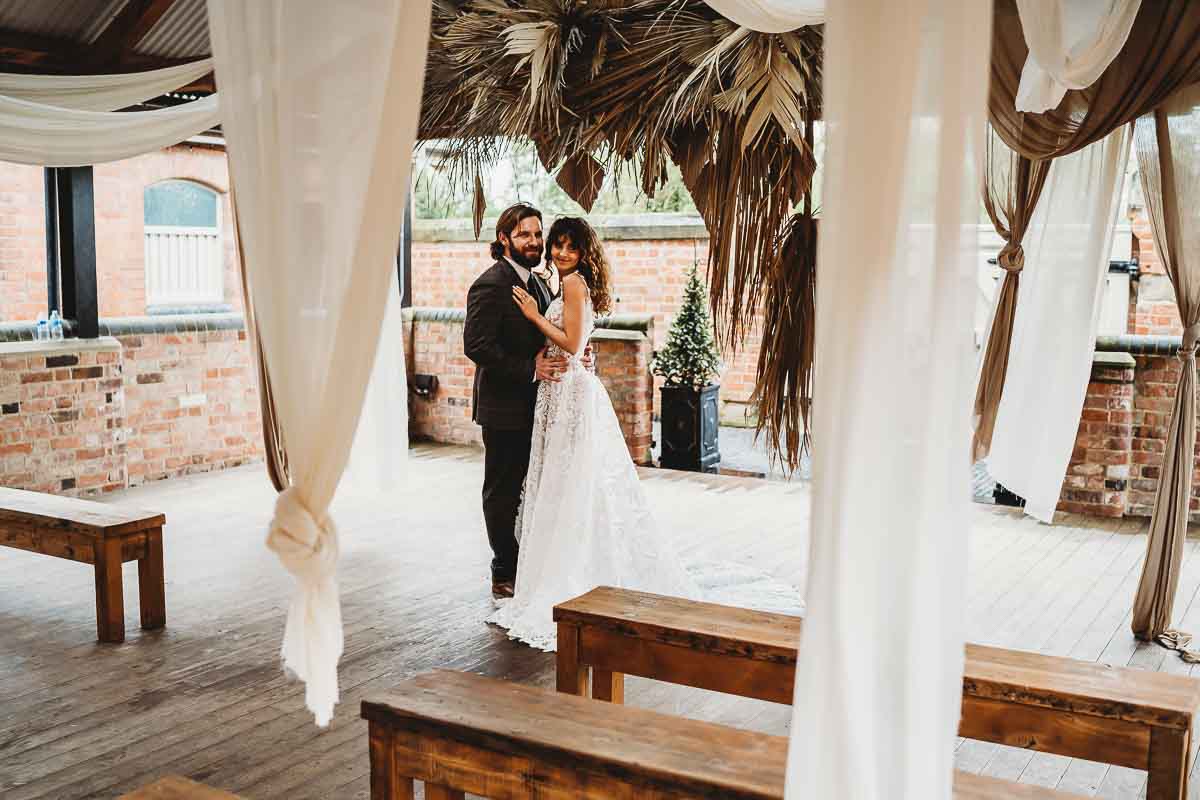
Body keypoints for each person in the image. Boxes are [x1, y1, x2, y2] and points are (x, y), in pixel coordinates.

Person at [487, 217, 706, 651]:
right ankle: (569, 568)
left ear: (584, 252)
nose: (560, 253)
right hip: (563, 391)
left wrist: (533, 315)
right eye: (557, 245)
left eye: (570, 247)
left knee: (569, 484)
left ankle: (570, 575)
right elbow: (578, 340)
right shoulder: (568, 283)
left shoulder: (572, 285)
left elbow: (569, 343)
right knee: (567, 484)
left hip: (568, 392)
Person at [463, 203, 586, 600]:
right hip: (503, 407)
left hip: (538, 406)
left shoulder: (538, 283)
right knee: (502, 489)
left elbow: (552, 332)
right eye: (524, 235)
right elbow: (477, 345)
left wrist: (573, 353)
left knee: (530, 488)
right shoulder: (491, 284)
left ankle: (528, 563)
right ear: (504, 239)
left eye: (537, 234)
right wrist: (529, 369)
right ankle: (503, 572)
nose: (534, 242)